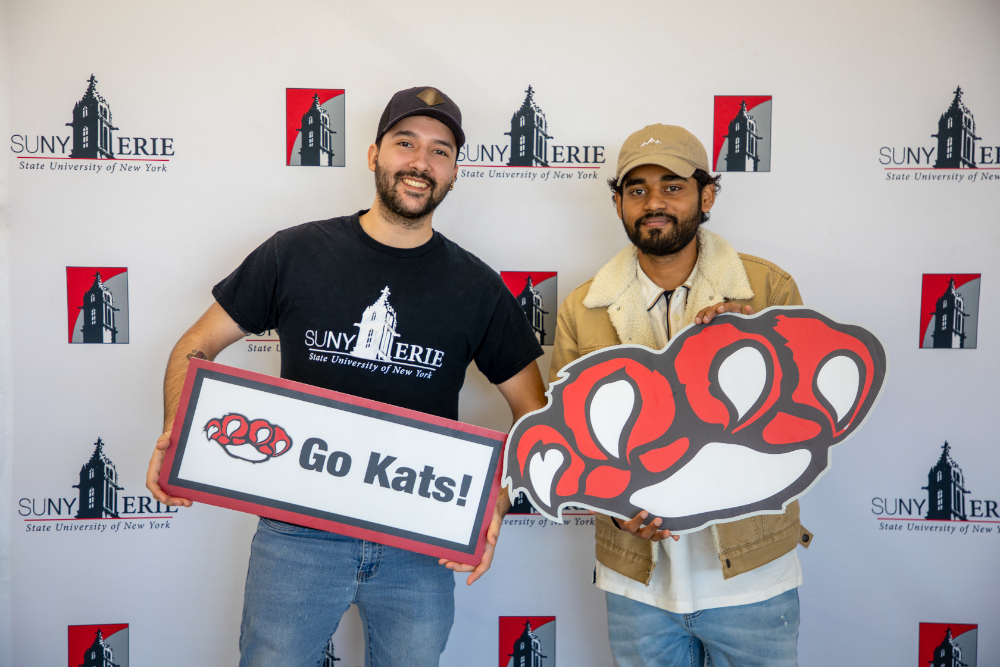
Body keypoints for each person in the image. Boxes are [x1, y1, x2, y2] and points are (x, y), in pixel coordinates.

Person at [146, 86, 547, 667]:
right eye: (405, 143)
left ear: (456, 171)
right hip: (297, 534)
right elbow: (197, 345)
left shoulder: (478, 287)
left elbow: (533, 415)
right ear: (373, 153)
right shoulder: (295, 252)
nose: (420, 162)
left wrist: (497, 500)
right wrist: (174, 432)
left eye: (440, 151)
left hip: (422, 539)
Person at [550, 124, 813, 667]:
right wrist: (616, 507)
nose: (654, 202)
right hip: (637, 585)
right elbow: (570, 444)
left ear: (706, 195)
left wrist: (763, 345)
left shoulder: (767, 291)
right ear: (618, 202)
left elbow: (807, 424)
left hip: (752, 578)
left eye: (672, 186)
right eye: (637, 189)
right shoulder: (582, 308)